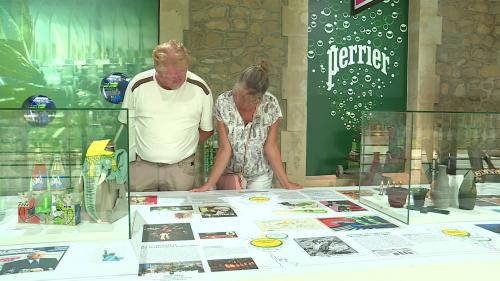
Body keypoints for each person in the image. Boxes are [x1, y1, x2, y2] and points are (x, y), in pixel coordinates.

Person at [119, 40, 214, 192]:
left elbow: (207, 130)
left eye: (182, 72)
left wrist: (181, 146)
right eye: (170, 75)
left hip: (181, 168)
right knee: (139, 212)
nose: (177, 78)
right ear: (157, 70)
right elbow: (126, 123)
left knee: (180, 213)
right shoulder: (138, 85)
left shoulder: (200, 88)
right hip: (141, 166)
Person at [191, 62, 302, 191]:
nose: (238, 99)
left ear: (258, 99)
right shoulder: (223, 102)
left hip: (260, 175)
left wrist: (285, 183)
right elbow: (224, 149)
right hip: (231, 175)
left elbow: (270, 146)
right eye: (237, 93)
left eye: (244, 98)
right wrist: (209, 184)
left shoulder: (271, 104)